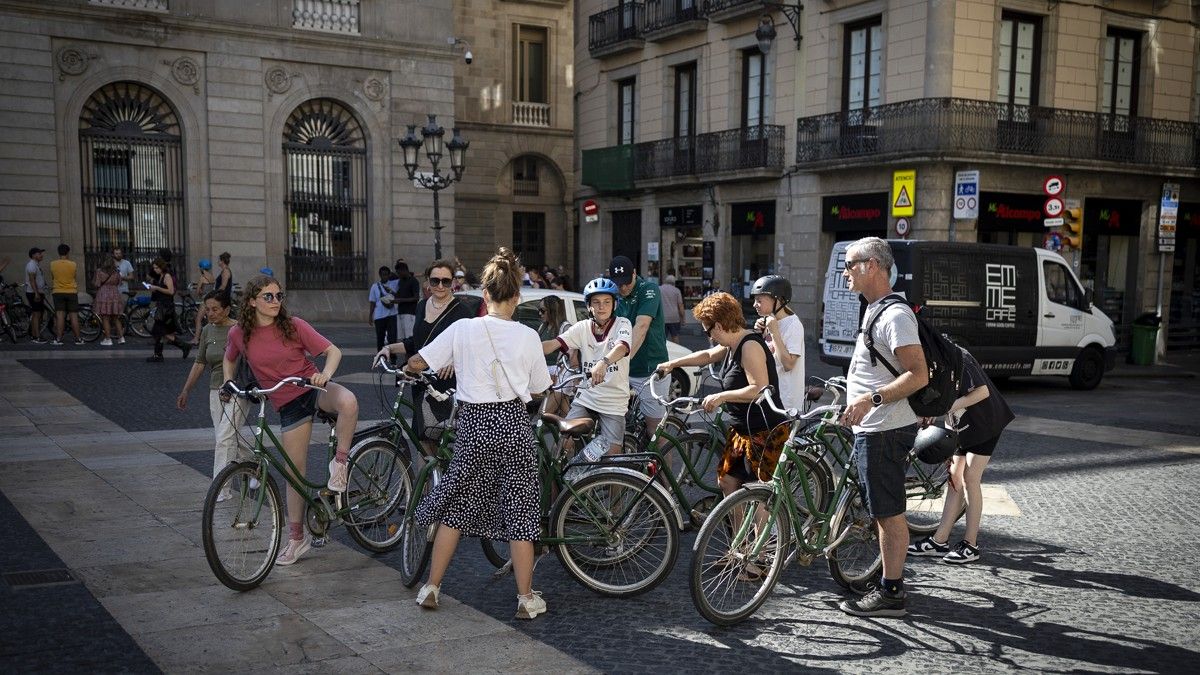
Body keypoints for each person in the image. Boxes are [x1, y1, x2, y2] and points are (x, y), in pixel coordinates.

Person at [405, 247, 552, 619]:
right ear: (516, 298)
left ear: (484, 295)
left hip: (474, 425)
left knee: (456, 508)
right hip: (514, 425)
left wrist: (435, 364)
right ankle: (525, 598)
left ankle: (431, 587)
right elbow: (538, 389)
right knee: (521, 512)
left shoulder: (463, 328)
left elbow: (418, 361)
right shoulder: (528, 336)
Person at [222, 274, 358, 565]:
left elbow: (333, 351)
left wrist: (326, 375)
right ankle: (297, 538)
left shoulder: (294, 325)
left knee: (348, 401)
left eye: (278, 296)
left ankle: (340, 465)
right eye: (268, 296)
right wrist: (227, 381)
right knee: (294, 474)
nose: (275, 301)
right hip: (287, 403)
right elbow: (229, 357)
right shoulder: (239, 333)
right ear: (251, 301)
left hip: (310, 387)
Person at [837, 236, 929, 618]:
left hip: (885, 428)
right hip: (872, 427)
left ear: (871, 265)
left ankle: (892, 593)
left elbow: (918, 374)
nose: (845, 272)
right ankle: (885, 581)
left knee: (889, 513)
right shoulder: (874, 309)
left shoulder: (894, 315)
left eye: (850, 264)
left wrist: (869, 400)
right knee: (880, 510)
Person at [655, 292, 785, 496]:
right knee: (726, 481)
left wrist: (721, 396)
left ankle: (764, 528)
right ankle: (737, 528)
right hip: (741, 429)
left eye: (708, 331)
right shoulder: (730, 345)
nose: (709, 336)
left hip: (764, 431)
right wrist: (673, 364)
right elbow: (707, 355)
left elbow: (759, 388)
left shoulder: (749, 345)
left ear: (718, 326)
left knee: (757, 494)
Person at [909, 347, 1014, 564]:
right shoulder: (931, 362)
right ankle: (939, 540)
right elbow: (947, 402)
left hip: (986, 422)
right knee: (954, 479)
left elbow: (982, 392)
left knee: (970, 479)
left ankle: (971, 545)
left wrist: (944, 409)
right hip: (961, 425)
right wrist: (949, 431)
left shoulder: (957, 358)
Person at [375, 259, 476, 449]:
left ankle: (447, 478)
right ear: (428, 282)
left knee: (442, 444)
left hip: (446, 387)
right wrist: (389, 348)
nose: (440, 286)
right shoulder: (422, 305)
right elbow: (417, 342)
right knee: (423, 441)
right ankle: (430, 479)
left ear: (453, 282)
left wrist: (454, 362)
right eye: (435, 280)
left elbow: (474, 349)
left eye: (445, 281)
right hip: (421, 381)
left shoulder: (463, 312)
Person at [540, 278, 632, 460]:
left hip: (614, 400)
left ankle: (618, 487)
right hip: (587, 396)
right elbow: (553, 344)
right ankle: (571, 485)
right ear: (588, 306)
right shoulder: (582, 328)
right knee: (563, 445)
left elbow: (622, 347)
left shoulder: (623, 324)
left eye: (607, 302)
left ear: (614, 304)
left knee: (613, 457)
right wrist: (525, 348)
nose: (601, 307)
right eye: (596, 302)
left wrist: (604, 362)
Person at [177, 291, 251, 500]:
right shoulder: (208, 331)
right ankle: (254, 463)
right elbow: (200, 362)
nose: (210, 313)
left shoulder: (239, 329)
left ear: (227, 309)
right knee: (226, 435)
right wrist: (186, 390)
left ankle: (221, 489)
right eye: (207, 309)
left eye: (215, 309)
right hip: (215, 390)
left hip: (238, 389)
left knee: (224, 437)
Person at [610, 255, 670, 445]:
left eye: (626, 283)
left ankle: (665, 475)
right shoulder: (614, 295)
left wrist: (622, 361)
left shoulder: (648, 289)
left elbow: (641, 327)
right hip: (627, 368)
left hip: (649, 367)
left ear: (635, 274)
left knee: (655, 430)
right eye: (618, 284)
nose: (623, 288)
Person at [751, 275, 806, 410]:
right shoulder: (770, 321)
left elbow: (788, 364)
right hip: (768, 397)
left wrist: (774, 332)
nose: (754, 305)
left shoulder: (793, 325)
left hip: (785, 401)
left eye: (759, 300)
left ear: (778, 300)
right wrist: (761, 333)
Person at [145, 258, 192, 362]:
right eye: (154, 268)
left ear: (161, 267)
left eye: (157, 267)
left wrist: (157, 288)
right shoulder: (161, 276)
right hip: (162, 306)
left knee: (160, 331)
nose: (155, 270)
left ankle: (184, 346)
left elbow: (171, 291)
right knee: (159, 331)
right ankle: (158, 355)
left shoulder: (167, 276)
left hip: (166, 308)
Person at [49, 244, 82, 346]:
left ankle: (58, 339)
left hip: (58, 292)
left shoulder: (52, 264)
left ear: (58, 252)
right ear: (68, 252)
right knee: (74, 316)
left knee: (60, 316)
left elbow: (53, 277)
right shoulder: (73, 264)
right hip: (71, 292)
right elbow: (74, 277)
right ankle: (78, 339)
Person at [536, 294, 571, 377]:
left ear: (553, 310)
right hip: (542, 369)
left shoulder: (566, 328)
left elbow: (571, 356)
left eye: (543, 310)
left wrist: (558, 374)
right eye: (539, 310)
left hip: (557, 372)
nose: (540, 313)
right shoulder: (543, 326)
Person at [92, 255, 123, 346]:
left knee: (105, 318)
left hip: (104, 294)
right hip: (115, 294)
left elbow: (97, 284)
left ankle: (108, 338)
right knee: (116, 318)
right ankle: (121, 337)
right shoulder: (116, 271)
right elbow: (119, 283)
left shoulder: (99, 271)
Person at [369, 265, 399, 354]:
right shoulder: (375, 286)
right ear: (379, 275)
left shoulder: (394, 284)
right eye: (383, 275)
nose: (384, 276)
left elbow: (398, 295)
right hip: (379, 316)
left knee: (392, 338)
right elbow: (372, 302)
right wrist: (370, 316)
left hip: (392, 315)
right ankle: (380, 358)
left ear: (389, 275)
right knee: (380, 338)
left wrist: (391, 290)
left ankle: (393, 360)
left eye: (386, 274)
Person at [391, 261, 421, 342]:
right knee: (403, 339)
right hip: (401, 312)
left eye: (399, 273)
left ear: (404, 270)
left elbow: (416, 298)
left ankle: (410, 354)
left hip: (409, 313)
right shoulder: (401, 282)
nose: (398, 275)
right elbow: (400, 295)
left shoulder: (413, 281)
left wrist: (400, 300)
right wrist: (392, 294)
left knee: (409, 338)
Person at [23, 247, 47, 344]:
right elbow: (32, 280)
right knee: (36, 315)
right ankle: (36, 336)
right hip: (33, 293)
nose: (41, 255)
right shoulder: (31, 265)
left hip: (37, 292)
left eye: (41, 253)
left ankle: (35, 335)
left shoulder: (36, 265)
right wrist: (36, 293)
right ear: (33, 255)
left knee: (37, 314)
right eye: (39, 253)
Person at [191, 258, 215, 345]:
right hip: (212, 300)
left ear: (201, 268)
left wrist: (201, 292)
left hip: (205, 301)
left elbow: (198, 291)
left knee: (198, 319)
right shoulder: (212, 276)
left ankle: (196, 339)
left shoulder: (202, 277)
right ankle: (210, 339)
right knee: (210, 321)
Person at [113, 246, 134, 342]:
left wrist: (123, 277)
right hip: (113, 290)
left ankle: (124, 330)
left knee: (122, 311)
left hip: (123, 290)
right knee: (114, 311)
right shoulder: (111, 263)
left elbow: (131, 276)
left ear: (122, 254)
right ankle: (118, 330)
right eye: (116, 253)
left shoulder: (127, 263)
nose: (118, 255)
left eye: (119, 253)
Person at [659, 274, 686, 343]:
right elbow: (680, 305)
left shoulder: (659, 289)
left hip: (662, 317)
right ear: (674, 282)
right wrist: (683, 318)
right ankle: (677, 351)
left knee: (662, 337)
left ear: (665, 281)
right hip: (674, 318)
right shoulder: (677, 291)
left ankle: (662, 352)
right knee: (675, 336)